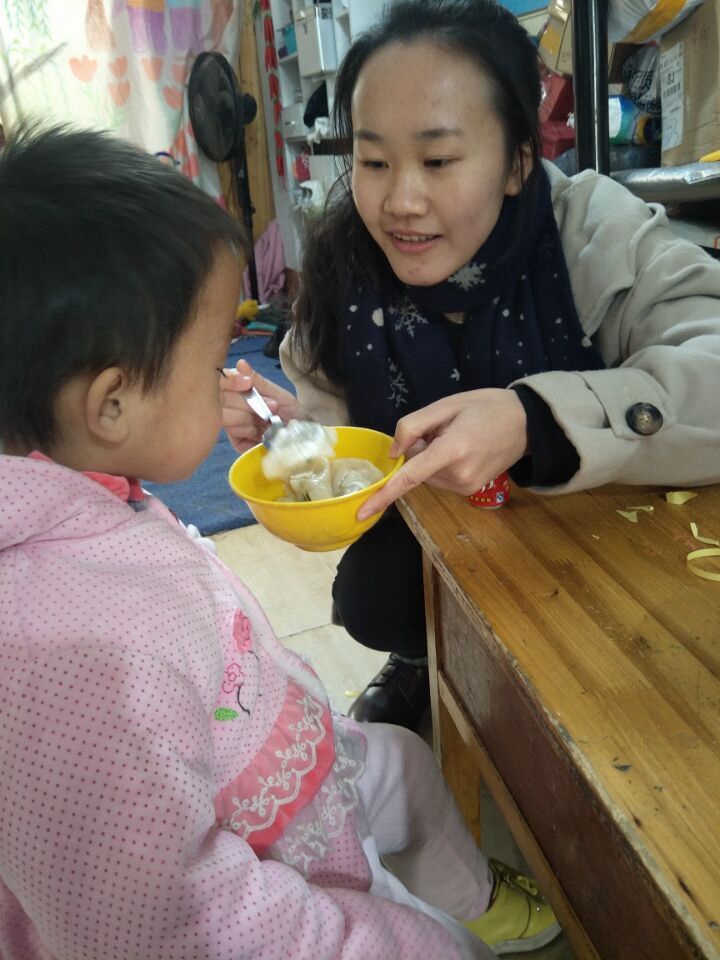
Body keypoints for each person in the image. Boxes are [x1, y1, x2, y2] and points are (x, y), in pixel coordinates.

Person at [0, 124, 562, 959]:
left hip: (283, 757)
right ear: (111, 406)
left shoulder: (89, 487)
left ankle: (475, 901)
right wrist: (399, 939)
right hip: (273, 861)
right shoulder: (63, 658)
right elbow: (179, 928)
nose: (231, 375)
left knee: (408, 765)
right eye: (213, 357)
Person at [222, 0, 720, 730]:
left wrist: (532, 419)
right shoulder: (344, 266)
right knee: (374, 596)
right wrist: (299, 433)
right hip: (458, 541)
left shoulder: (594, 229)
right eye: (373, 162)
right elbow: (349, 432)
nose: (400, 201)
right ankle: (424, 660)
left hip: (608, 525)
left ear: (518, 160)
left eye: (438, 160)